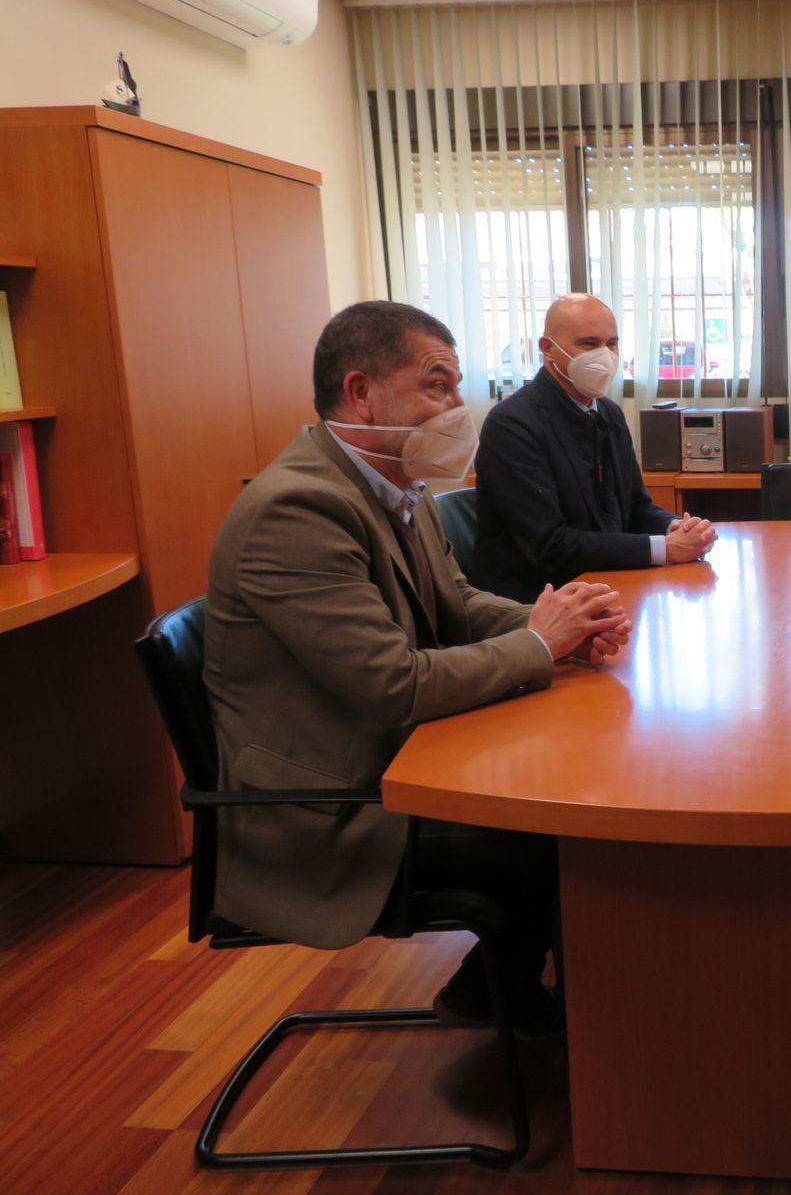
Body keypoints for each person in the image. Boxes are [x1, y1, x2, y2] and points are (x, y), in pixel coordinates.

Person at [205, 300, 631, 1037]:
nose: (456, 407)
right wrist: (539, 645)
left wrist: (561, 627)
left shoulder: (394, 485)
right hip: (333, 810)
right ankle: (517, 1000)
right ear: (361, 392)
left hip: (396, 759)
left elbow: (457, 601)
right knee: (563, 827)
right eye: (437, 385)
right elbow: (395, 685)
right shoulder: (297, 508)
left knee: (575, 782)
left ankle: (498, 988)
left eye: (456, 386)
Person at [472, 293, 717, 602]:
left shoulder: (608, 413)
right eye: (589, 344)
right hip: (536, 602)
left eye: (611, 344)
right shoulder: (513, 424)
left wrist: (676, 527)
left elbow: (635, 507)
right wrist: (663, 549)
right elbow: (549, 546)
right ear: (548, 348)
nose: (604, 355)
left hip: (607, 583)